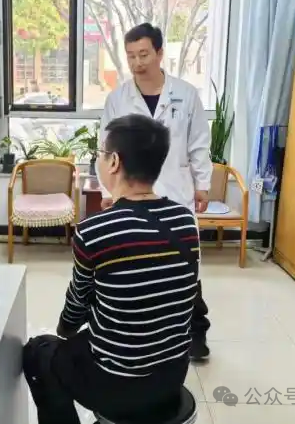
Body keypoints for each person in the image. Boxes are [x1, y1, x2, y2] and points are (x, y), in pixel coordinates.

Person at [23, 114, 200, 424]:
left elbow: (76, 306)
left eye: (101, 154)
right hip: (173, 375)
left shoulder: (94, 230)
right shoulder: (186, 222)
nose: (99, 160)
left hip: (117, 385)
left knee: (39, 352)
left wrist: (63, 332)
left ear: (114, 162)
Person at [97, 22, 212, 361]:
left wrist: (203, 184)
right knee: (139, 260)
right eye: (131, 55)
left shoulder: (186, 94)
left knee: (184, 261)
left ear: (160, 53)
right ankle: (146, 331)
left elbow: (198, 143)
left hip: (175, 190)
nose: (137, 62)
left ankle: (195, 333)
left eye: (144, 54)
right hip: (130, 191)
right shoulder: (118, 99)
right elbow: (106, 147)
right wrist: (107, 189)